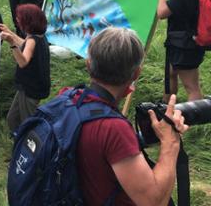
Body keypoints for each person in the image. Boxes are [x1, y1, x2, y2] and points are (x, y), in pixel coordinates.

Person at [73, 28, 189, 205]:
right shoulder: (113, 129)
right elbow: (154, 202)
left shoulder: (68, 99)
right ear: (136, 74)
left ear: (89, 65)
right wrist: (170, 142)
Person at [157, 0, 208, 101]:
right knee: (171, 74)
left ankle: (196, 118)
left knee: (192, 87)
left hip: (184, 45)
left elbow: (162, 13)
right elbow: (182, 8)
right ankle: (167, 108)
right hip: (187, 41)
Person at [0, 4, 50, 131]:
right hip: (28, 86)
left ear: (28, 21)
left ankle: (31, 145)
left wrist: (11, 43)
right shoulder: (37, 36)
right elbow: (24, 44)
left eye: (19, 18)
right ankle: (19, 139)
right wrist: (9, 32)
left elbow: (23, 62)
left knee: (28, 122)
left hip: (31, 89)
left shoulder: (32, 40)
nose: (17, 19)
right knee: (12, 119)